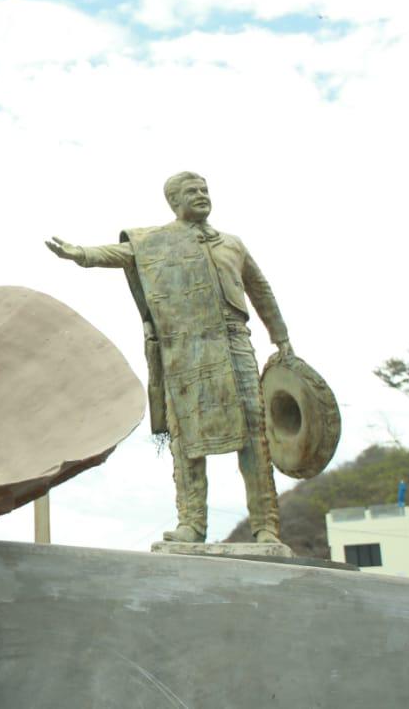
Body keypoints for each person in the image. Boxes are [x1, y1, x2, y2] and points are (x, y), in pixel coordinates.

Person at [45, 171, 288, 545]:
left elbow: (261, 291)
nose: (202, 195)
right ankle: (191, 523)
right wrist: (82, 254)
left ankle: (266, 525)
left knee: (254, 435)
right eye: (192, 191)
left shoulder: (233, 244)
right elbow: (124, 254)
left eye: (205, 189)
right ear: (174, 203)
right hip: (184, 349)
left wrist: (281, 337)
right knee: (186, 438)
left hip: (235, 344)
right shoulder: (157, 242)